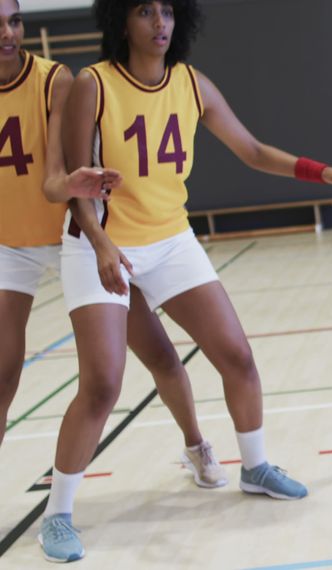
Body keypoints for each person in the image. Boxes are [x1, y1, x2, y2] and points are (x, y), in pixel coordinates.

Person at [38, 0, 332, 562]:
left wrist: (323, 171)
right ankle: (58, 515)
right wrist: (101, 245)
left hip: (171, 240)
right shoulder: (92, 85)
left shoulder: (192, 83)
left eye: (168, 11)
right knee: (102, 384)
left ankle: (255, 467)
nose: (160, 23)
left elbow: (251, 150)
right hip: (99, 241)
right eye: (145, 11)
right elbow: (76, 184)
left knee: (237, 356)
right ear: (121, 20)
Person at [0, 0, 226, 497]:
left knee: (161, 357)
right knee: (3, 372)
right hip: (9, 246)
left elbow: (56, 182)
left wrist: (91, 221)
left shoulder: (56, 80)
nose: (9, 32)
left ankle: (195, 444)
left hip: (74, 234)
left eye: (15, 20)